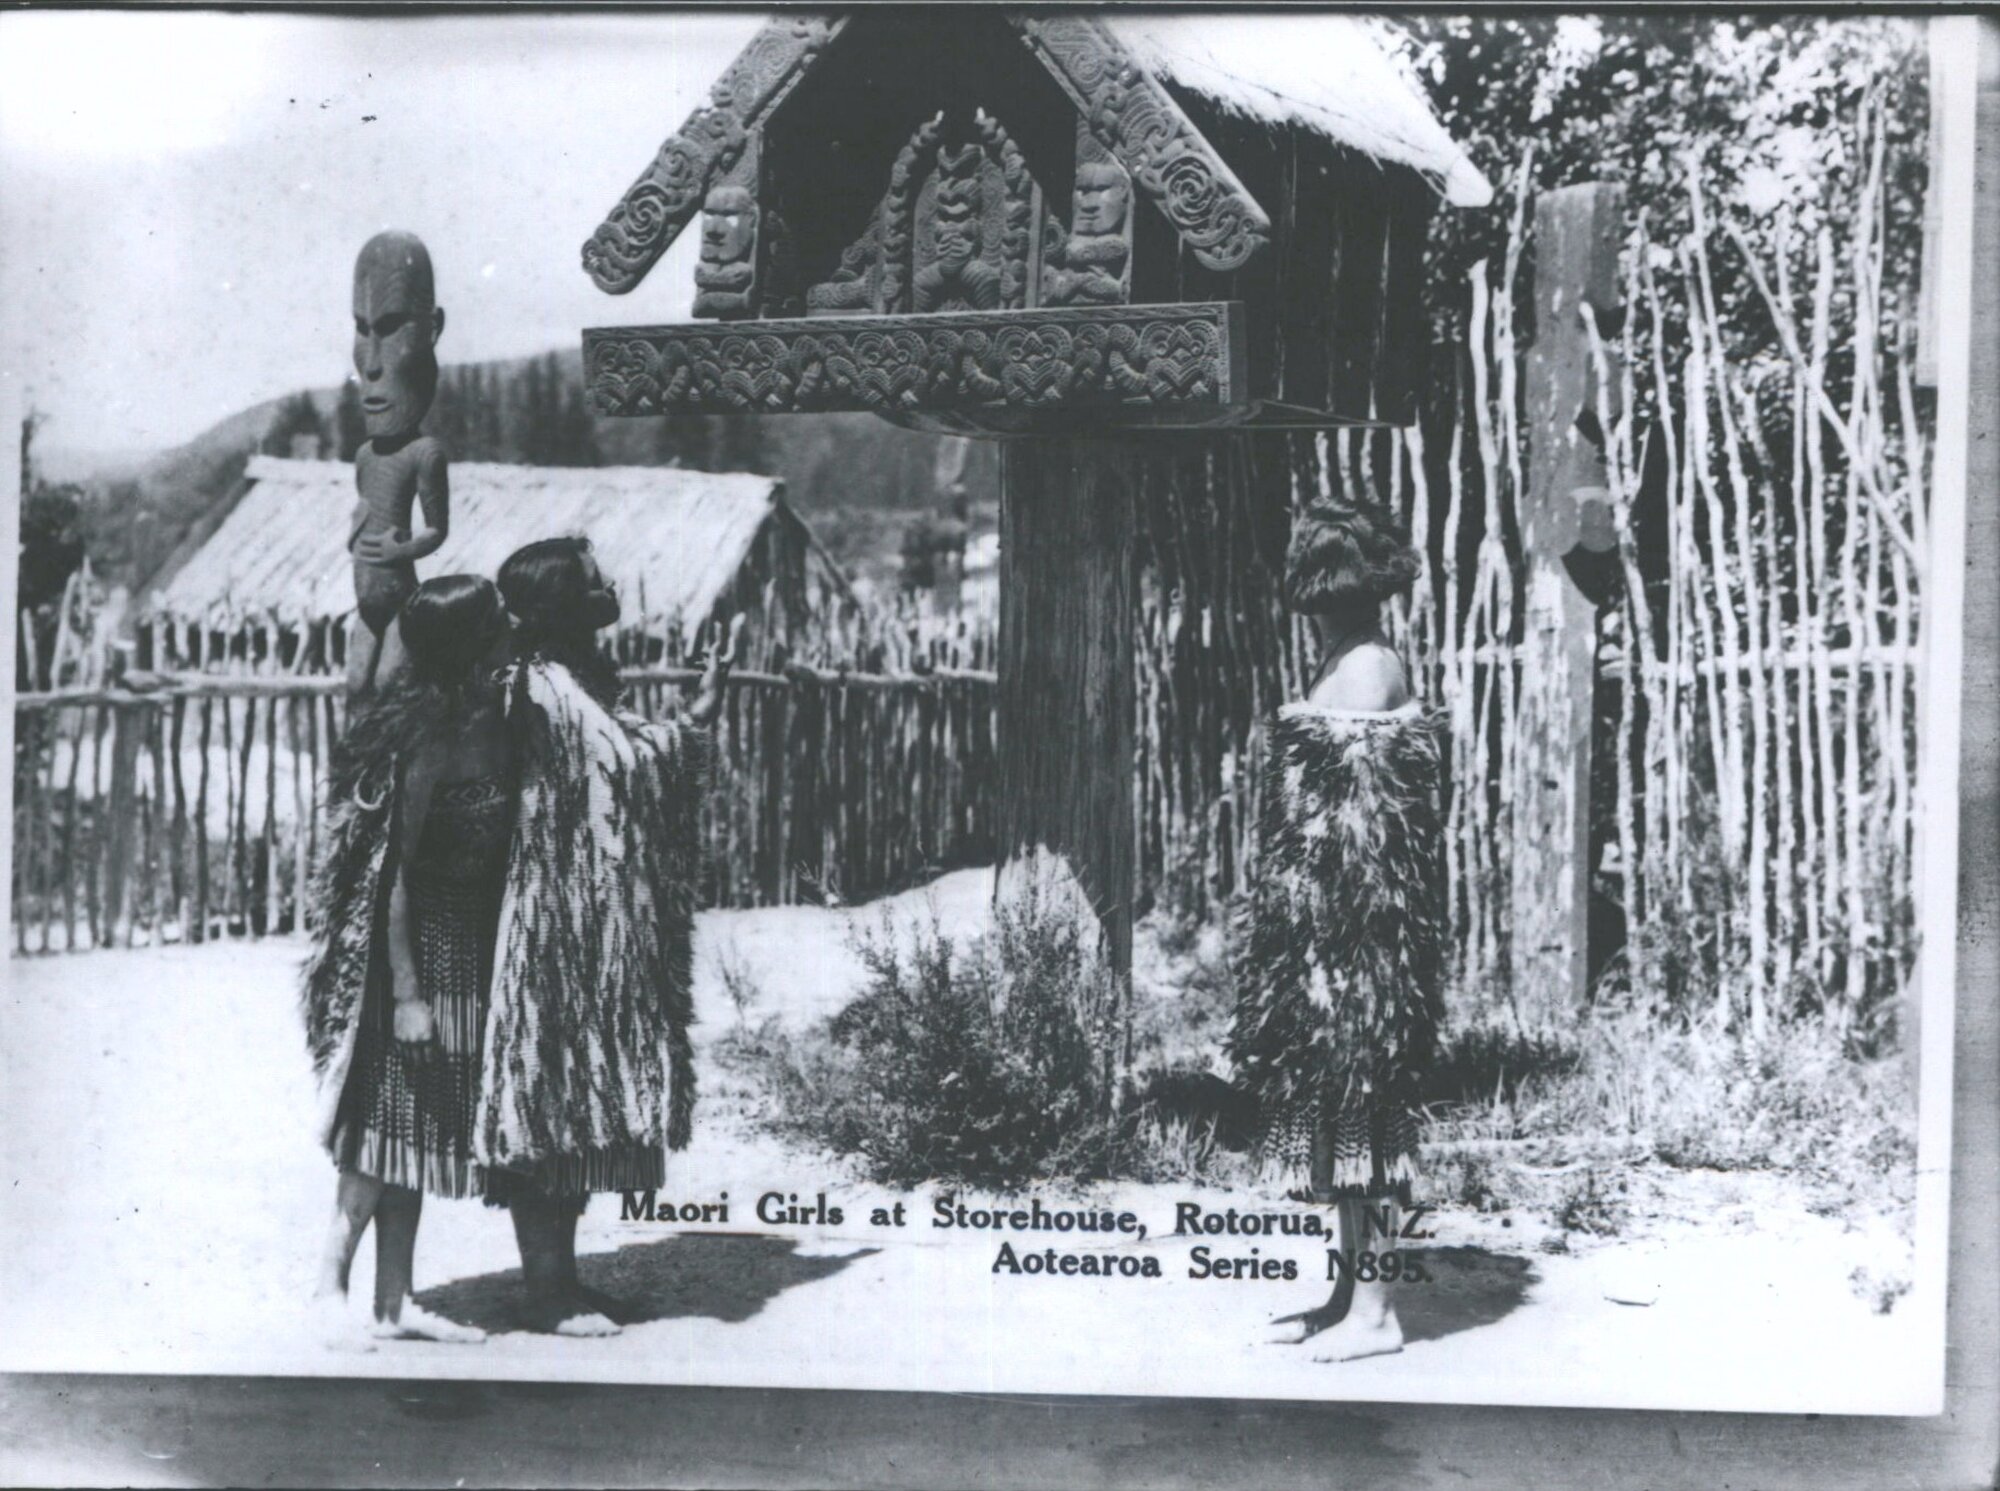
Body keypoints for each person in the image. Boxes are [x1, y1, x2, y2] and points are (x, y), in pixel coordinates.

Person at [480, 535, 736, 1335]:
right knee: (550, 1087)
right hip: (554, 921)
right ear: (565, 600)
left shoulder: (572, 683)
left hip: (597, 921)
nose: (612, 586)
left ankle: (562, 1279)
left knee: (584, 1091)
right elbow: (604, 770)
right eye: (595, 580)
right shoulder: (529, 688)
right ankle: (546, 1289)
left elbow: (625, 755)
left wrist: (696, 712)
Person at [1228, 495, 1447, 1363]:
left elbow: (1360, 827)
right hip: (1328, 929)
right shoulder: (1343, 660)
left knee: (1369, 1110)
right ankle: (1350, 1289)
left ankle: (1380, 1311)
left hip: (1362, 931)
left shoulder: (1364, 670)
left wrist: (1327, 937)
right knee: (1341, 1115)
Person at [304, 574, 514, 1345]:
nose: (509, 632)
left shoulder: (484, 713)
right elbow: (393, 870)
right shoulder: (430, 733)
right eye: (497, 624)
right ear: (471, 645)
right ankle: (329, 1285)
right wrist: (407, 994)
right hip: (416, 945)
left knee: (416, 1126)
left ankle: (395, 1303)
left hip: (461, 939)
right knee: (385, 1116)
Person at [346, 230, 451, 696]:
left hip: (399, 602)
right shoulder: (365, 456)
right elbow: (366, 509)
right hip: (364, 605)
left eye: (391, 329)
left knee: (390, 689)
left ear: (433, 329)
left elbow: (436, 529)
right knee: (354, 691)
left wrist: (399, 552)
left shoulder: (424, 453)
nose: (371, 365)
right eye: (362, 329)